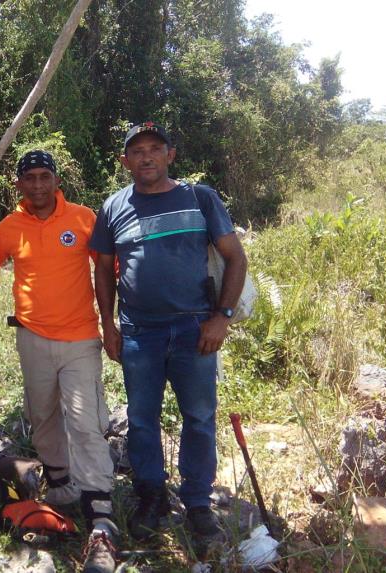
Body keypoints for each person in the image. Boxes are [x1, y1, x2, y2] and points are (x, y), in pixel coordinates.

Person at [0, 151, 119, 573]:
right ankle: (60, 486)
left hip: (81, 337)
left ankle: (101, 514)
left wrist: (119, 319)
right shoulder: (11, 226)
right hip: (32, 338)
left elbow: (108, 268)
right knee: (41, 414)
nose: (39, 185)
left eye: (45, 177)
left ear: (56, 179)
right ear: (19, 184)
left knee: (85, 421)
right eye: (31, 179)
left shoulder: (83, 218)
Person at [90, 122, 248, 545]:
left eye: (154, 149)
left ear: (170, 155)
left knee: (198, 417)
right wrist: (108, 323)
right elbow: (103, 269)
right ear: (125, 161)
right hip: (139, 331)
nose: (146, 157)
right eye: (137, 151)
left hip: (194, 327)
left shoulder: (200, 198)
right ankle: (151, 496)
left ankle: (197, 503)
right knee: (142, 419)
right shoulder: (113, 208)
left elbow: (235, 258)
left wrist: (222, 317)